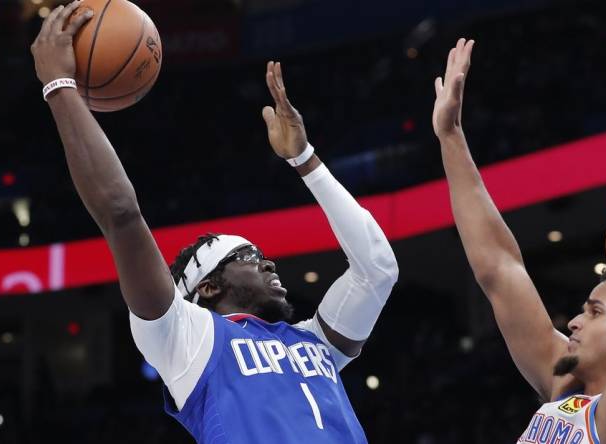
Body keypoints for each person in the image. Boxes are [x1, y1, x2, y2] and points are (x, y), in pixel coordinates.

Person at [30, 2, 398, 443]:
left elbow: (377, 268)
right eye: (247, 256)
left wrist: (305, 161)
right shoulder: (187, 339)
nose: (267, 263)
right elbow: (121, 213)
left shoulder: (316, 342)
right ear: (207, 287)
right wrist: (60, 86)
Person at [432, 12, 606, 443]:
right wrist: (450, 137)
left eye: (595, 311)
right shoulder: (568, 391)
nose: (574, 323)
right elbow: (500, 270)